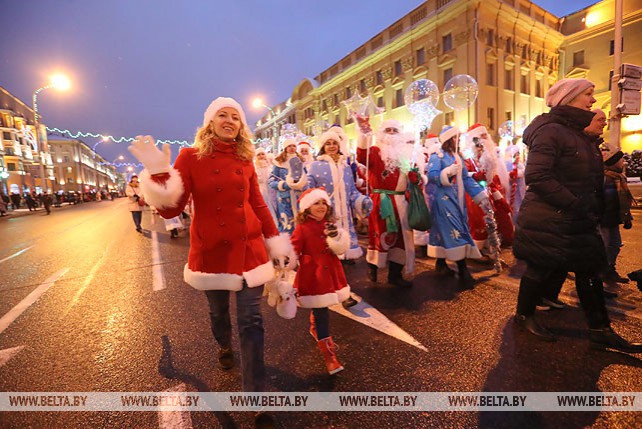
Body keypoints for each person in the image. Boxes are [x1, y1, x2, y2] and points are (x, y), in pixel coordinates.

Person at [128, 97, 295, 427]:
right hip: (212, 252)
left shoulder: (245, 159)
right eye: (223, 114)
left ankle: (257, 400)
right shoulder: (191, 157)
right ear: (210, 122)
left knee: (251, 320)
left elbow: (258, 204)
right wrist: (159, 174)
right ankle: (223, 344)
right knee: (218, 313)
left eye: (236, 116)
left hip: (249, 251)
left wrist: (276, 242)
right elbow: (172, 209)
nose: (230, 119)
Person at [512, 78, 642, 353]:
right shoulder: (551, 131)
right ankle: (525, 316)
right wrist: (574, 203)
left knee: (590, 270)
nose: (593, 100)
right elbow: (537, 176)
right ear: (569, 97)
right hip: (551, 218)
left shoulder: (576, 133)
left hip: (577, 218)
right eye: (588, 93)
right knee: (539, 268)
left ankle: (600, 330)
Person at [291, 188, 351, 374]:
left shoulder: (329, 224)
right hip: (313, 274)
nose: (321, 207)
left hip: (331, 271)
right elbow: (293, 250)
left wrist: (337, 238)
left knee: (322, 308)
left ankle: (315, 327)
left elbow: (340, 249)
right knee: (321, 310)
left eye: (324, 203)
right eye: (316, 203)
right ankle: (329, 356)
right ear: (307, 208)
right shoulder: (302, 228)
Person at [355, 118, 415, 288]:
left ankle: (395, 275)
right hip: (381, 202)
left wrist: (415, 179)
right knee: (379, 237)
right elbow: (361, 156)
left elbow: (411, 178)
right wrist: (365, 132)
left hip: (401, 202)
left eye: (394, 131)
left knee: (401, 240)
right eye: (387, 130)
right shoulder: (374, 151)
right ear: (381, 133)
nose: (391, 134)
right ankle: (373, 266)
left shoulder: (404, 155)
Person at [425, 126, 486, 286]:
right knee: (455, 231)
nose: (457, 140)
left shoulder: (458, 157)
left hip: (458, 201)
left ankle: (441, 263)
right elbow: (431, 176)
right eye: (455, 137)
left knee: (444, 231)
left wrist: (480, 196)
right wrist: (447, 172)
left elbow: (466, 179)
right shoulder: (437, 155)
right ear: (448, 140)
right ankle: (463, 271)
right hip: (444, 201)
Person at [463, 123, 513, 251]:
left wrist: (495, 189)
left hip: (490, 191)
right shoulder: (467, 156)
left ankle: (491, 246)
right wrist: (475, 175)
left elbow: (494, 176)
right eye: (481, 137)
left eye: (486, 137)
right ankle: (477, 248)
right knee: (479, 220)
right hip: (473, 194)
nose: (484, 141)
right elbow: (464, 173)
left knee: (497, 217)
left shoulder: (490, 156)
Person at [599, 142, 634, 286]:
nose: (623, 162)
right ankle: (600, 276)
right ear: (613, 162)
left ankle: (609, 271)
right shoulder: (604, 179)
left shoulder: (619, 178)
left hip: (613, 220)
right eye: (621, 160)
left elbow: (623, 202)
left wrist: (627, 217)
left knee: (615, 245)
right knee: (604, 248)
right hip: (602, 220)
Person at [268, 139, 307, 234]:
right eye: (289, 146)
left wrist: (301, 184)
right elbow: (271, 181)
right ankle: (287, 242)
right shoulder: (279, 163)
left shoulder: (301, 162)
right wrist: (284, 185)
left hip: (299, 196)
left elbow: (306, 177)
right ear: (285, 148)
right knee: (286, 220)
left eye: (294, 146)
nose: (292, 148)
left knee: (300, 218)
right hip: (284, 197)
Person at [254, 147, 278, 224]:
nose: (261, 156)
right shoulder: (255, 168)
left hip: (272, 191)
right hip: (262, 191)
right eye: (259, 155)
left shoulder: (271, 167)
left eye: (263, 154)